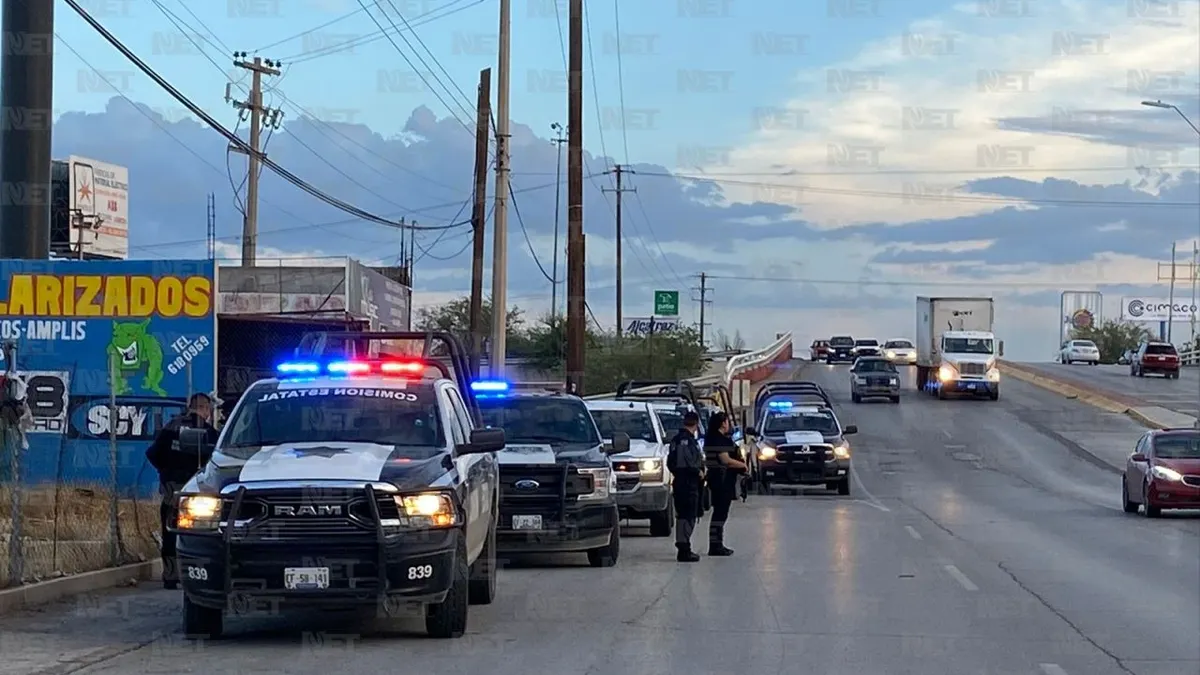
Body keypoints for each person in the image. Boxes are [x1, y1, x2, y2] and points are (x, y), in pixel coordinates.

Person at [146, 393, 219, 589]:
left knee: (170, 534)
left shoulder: (170, 428)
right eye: (209, 410)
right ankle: (200, 575)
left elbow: (152, 453)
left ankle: (170, 576)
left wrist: (166, 472)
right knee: (199, 534)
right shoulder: (209, 432)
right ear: (204, 409)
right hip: (198, 494)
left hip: (172, 490)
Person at [703, 411, 746, 556]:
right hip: (721, 480)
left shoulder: (714, 438)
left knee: (720, 513)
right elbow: (725, 460)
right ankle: (716, 545)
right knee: (720, 513)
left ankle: (717, 543)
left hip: (719, 479)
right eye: (727, 422)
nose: (729, 425)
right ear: (723, 423)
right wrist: (742, 466)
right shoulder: (718, 440)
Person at [666, 411, 705, 562]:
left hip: (680, 481)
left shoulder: (675, 440)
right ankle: (684, 548)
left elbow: (671, 463)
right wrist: (698, 472)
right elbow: (685, 462)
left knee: (683, 515)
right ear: (696, 423)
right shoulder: (686, 441)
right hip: (689, 483)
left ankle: (683, 546)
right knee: (688, 516)